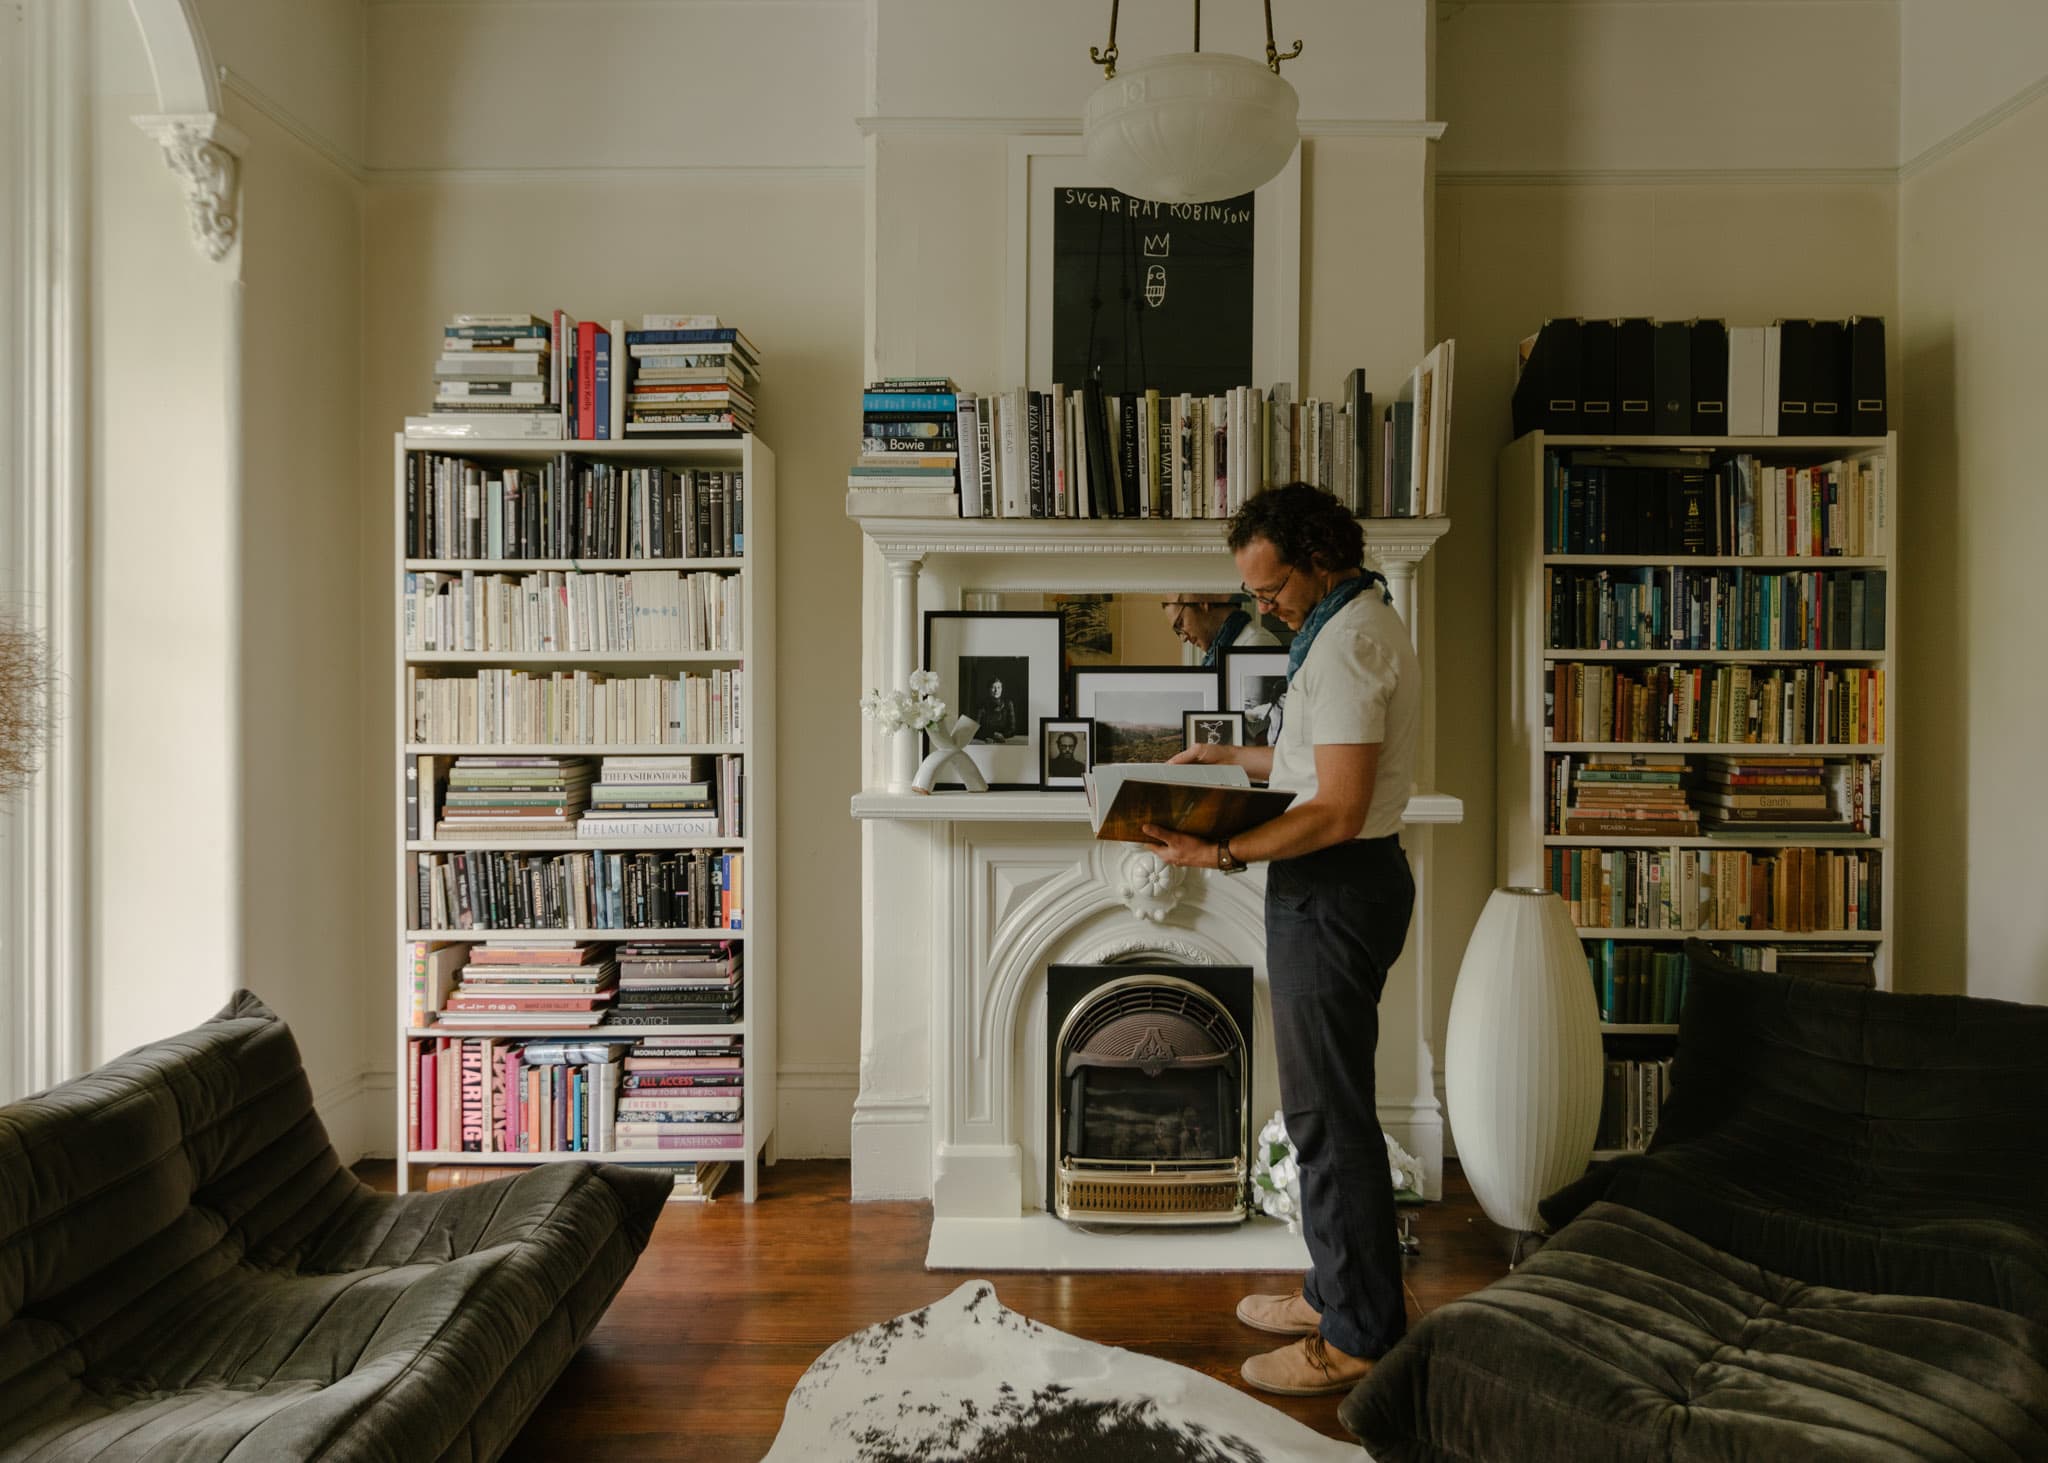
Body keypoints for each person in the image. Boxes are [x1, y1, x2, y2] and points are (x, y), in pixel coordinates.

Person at [1141, 482, 1417, 1401]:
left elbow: (1335, 807)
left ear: (1318, 557)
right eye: (1252, 595)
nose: (1261, 609)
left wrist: (1219, 848)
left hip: (1335, 886)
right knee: (1320, 1111)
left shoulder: (1346, 645)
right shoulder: (1350, 621)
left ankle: (1358, 1338)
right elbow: (1316, 764)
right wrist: (1234, 759)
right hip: (1339, 885)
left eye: (1269, 591)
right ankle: (1336, 1294)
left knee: (1329, 1120)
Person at [1162, 593, 1279, 666]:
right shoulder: (1215, 655)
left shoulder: (1256, 645)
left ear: (1202, 603)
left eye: (1180, 623)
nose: (1183, 638)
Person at [972, 676, 1022, 743]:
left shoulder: (1008, 704)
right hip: (987, 740)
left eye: (999, 687)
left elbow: (1012, 729)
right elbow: (974, 729)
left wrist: (1002, 735)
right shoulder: (981, 705)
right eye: (993, 687)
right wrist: (992, 735)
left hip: (1004, 740)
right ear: (988, 689)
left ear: (1001, 689)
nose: (996, 690)